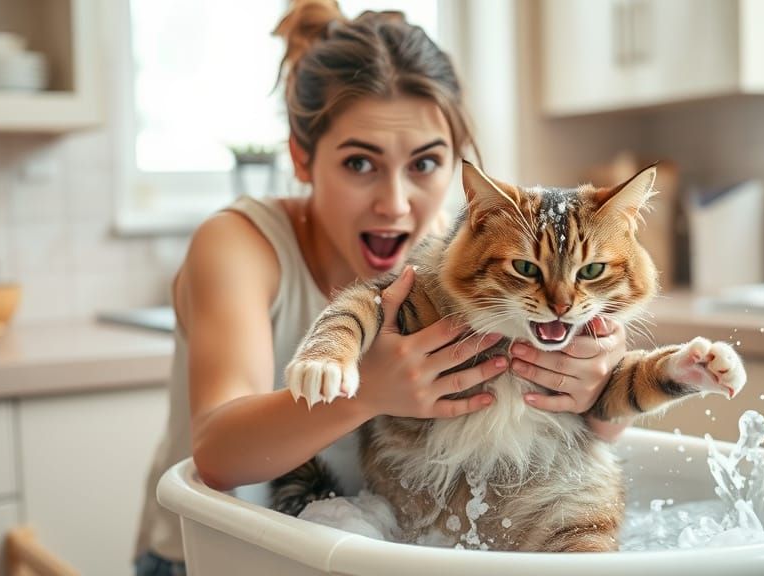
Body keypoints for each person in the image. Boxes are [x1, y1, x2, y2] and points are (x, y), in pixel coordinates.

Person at [133, 1, 628, 573]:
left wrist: (598, 378)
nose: (395, 204)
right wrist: (370, 391)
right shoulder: (241, 245)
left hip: (358, 550)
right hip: (210, 559)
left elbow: (590, 434)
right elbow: (217, 454)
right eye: (360, 165)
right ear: (301, 157)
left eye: (424, 165)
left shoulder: (461, 264)